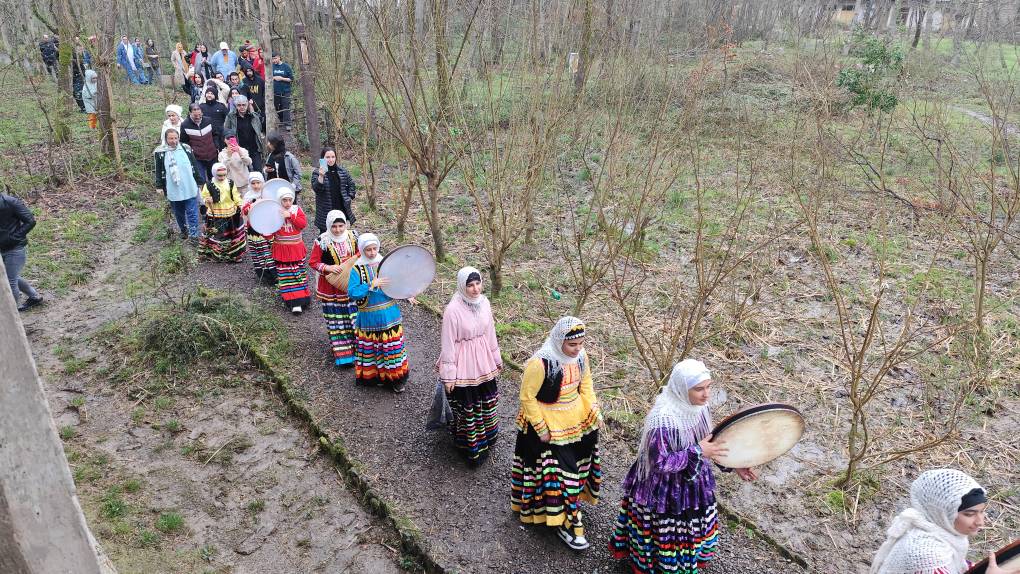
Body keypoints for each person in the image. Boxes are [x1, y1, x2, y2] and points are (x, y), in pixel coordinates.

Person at [610, 359, 758, 572]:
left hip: (693, 486)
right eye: (699, 389)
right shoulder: (663, 420)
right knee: (665, 535)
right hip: (664, 493)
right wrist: (698, 451)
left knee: (690, 533)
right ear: (681, 388)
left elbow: (709, 444)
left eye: (708, 387)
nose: (706, 394)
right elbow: (659, 462)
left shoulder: (699, 408)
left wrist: (734, 465)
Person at [511, 316, 601, 551]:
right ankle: (569, 523)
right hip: (548, 422)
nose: (578, 349)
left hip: (576, 418)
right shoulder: (541, 363)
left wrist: (593, 409)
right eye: (573, 345)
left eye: (581, 344)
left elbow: (587, 384)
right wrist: (540, 428)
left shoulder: (581, 358)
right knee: (561, 473)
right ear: (559, 341)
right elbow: (527, 397)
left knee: (579, 465)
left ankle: (562, 510)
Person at [871, 469, 1016, 574]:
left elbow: (958, 567)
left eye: (982, 511)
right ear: (942, 514)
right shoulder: (927, 556)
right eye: (969, 514)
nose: (980, 522)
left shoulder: (943, 536)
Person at [438, 266, 502, 466]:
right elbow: (448, 343)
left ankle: (488, 437)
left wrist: (496, 358)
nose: (475, 289)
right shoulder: (452, 310)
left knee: (486, 399)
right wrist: (448, 375)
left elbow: (490, 332)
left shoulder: (484, 303)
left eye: (478, 283)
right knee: (468, 404)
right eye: (470, 285)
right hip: (463, 361)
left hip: (482, 359)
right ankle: (472, 448)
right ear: (462, 286)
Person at [346, 233, 410, 392]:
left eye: (375, 248)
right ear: (361, 250)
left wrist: (408, 294)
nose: (372, 252)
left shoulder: (385, 265)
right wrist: (370, 285)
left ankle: (395, 380)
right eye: (368, 250)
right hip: (369, 317)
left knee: (391, 349)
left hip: (390, 316)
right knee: (373, 349)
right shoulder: (357, 269)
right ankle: (375, 377)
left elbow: (398, 283)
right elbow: (352, 293)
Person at [309, 210, 359, 366]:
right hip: (330, 287)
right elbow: (313, 262)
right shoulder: (322, 241)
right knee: (337, 320)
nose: (338, 230)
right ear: (328, 226)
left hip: (350, 284)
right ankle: (344, 356)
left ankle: (360, 351)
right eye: (334, 226)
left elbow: (360, 254)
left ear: (346, 224)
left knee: (354, 317)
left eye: (341, 226)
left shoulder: (354, 237)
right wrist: (328, 268)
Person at [153, 128, 202, 240]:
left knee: (192, 211)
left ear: (178, 138)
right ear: (166, 139)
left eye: (175, 138)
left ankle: (194, 234)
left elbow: (194, 165)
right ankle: (183, 230)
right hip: (173, 187)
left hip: (188, 184)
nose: (174, 141)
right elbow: (159, 169)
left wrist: (199, 181)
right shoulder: (160, 152)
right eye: (171, 138)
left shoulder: (186, 148)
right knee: (178, 212)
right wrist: (159, 186)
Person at [270, 187, 311, 314]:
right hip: (282, 249)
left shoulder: (297, 210)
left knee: (298, 273)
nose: (287, 203)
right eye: (284, 200)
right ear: (279, 200)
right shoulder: (274, 211)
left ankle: (304, 297)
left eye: (289, 200)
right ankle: (293, 301)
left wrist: (291, 216)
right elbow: (269, 230)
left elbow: (302, 224)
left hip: (296, 247)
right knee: (286, 274)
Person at [1, 193, 43, 312]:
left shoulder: (9, 202)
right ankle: (34, 296)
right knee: (11, 276)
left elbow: (30, 221)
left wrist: (14, 238)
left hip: (15, 248)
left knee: (10, 281)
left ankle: (13, 314)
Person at [199, 163, 246, 262]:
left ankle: (235, 255)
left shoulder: (230, 183)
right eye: (219, 175)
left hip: (231, 212)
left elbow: (235, 196)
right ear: (214, 174)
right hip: (216, 213)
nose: (222, 177)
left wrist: (240, 205)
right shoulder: (209, 185)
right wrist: (207, 200)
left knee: (234, 233)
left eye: (224, 175)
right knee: (218, 233)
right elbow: (204, 197)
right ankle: (218, 254)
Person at [239, 172, 276, 283]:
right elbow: (244, 211)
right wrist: (251, 205)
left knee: (267, 250)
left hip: (266, 227)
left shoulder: (267, 194)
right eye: (253, 183)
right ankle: (262, 274)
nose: (256, 185)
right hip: (253, 228)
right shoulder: (248, 196)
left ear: (262, 182)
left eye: (258, 182)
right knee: (257, 250)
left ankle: (273, 273)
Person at [311, 147, 356, 232]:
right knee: (325, 238)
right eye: (327, 157)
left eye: (333, 157)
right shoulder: (317, 173)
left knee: (342, 236)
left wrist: (349, 197)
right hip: (325, 212)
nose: (331, 160)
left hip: (342, 210)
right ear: (322, 159)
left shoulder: (342, 171)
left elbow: (352, 185)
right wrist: (321, 176)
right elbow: (317, 189)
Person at [223, 95, 265, 171]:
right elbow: (226, 131)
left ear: (247, 105)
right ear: (236, 106)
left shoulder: (253, 116)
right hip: (240, 149)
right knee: (244, 172)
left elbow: (259, 130)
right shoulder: (231, 117)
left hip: (254, 148)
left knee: (258, 171)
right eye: (239, 105)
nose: (242, 107)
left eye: (244, 105)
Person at [180, 104, 218, 182]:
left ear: (202, 113)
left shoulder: (208, 121)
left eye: (199, 115)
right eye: (195, 115)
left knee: (214, 178)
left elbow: (215, 134)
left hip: (212, 154)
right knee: (201, 180)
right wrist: (192, 152)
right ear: (190, 113)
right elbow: (184, 142)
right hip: (197, 157)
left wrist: (216, 146)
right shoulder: (185, 125)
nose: (197, 117)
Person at [264, 132, 301, 197]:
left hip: (287, 190)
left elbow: (298, 173)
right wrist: (265, 170)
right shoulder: (270, 155)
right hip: (273, 189)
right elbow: (265, 169)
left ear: (275, 144)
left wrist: (293, 185)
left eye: (270, 142)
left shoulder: (289, 157)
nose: (268, 144)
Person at [270, 53, 294, 129]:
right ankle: (281, 120)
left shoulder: (286, 66)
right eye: (272, 59)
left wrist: (281, 78)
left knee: (286, 106)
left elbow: (291, 79)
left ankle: (288, 124)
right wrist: (273, 78)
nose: (274, 60)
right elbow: (268, 77)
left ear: (279, 57)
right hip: (274, 91)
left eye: (275, 58)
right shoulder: (271, 67)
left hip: (285, 91)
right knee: (277, 107)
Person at [240, 67, 266, 131]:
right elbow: (243, 92)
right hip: (250, 105)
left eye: (250, 71)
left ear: (253, 71)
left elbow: (264, 91)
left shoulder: (260, 80)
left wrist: (263, 101)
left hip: (261, 104)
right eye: (247, 71)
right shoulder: (244, 81)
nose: (249, 73)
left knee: (263, 120)